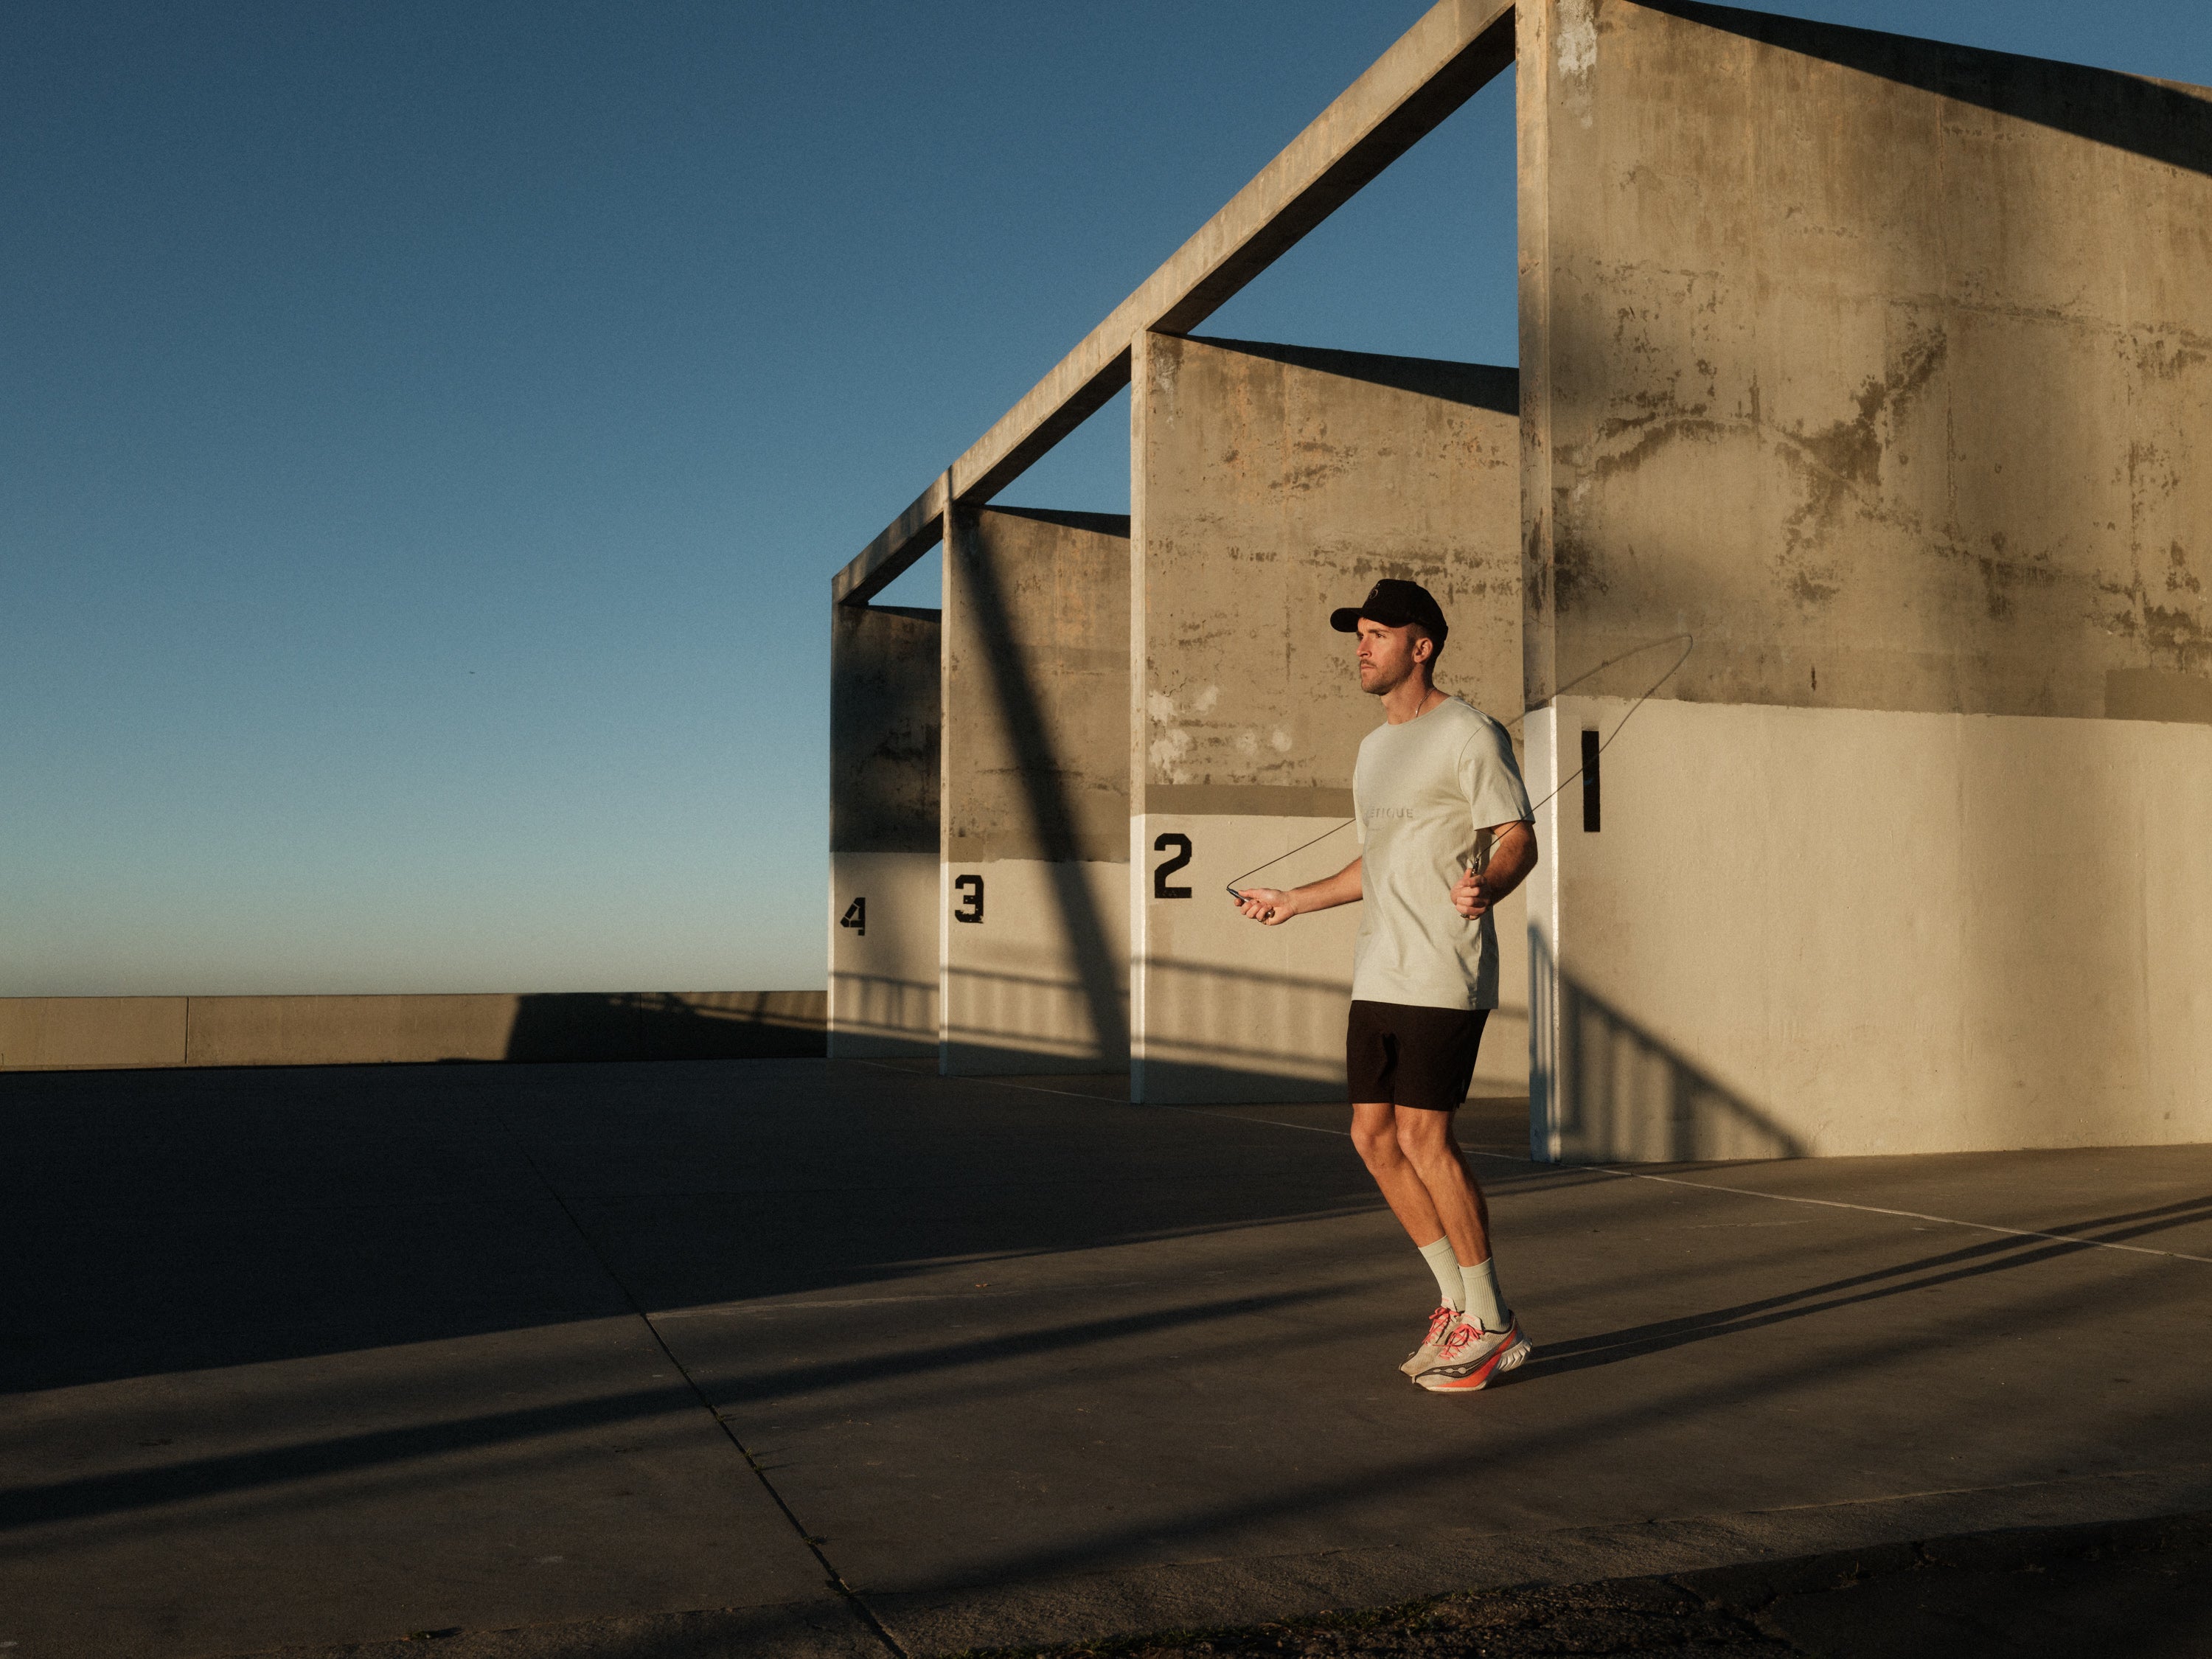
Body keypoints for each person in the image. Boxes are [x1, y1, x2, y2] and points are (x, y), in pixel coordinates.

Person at [1234, 579, 1538, 1394]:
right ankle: (1454, 1303)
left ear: (1421, 645)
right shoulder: (1374, 751)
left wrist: (1490, 886)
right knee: (1373, 1138)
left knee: (1425, 1138)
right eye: (1357, 635)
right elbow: (1379, 862)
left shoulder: (1469, 732)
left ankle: (1493, 1316)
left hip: (1443, 966)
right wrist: (1295, 900)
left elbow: (1515, 837)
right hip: (1380, 968)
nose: (1360, 647)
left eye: (1376, 633)